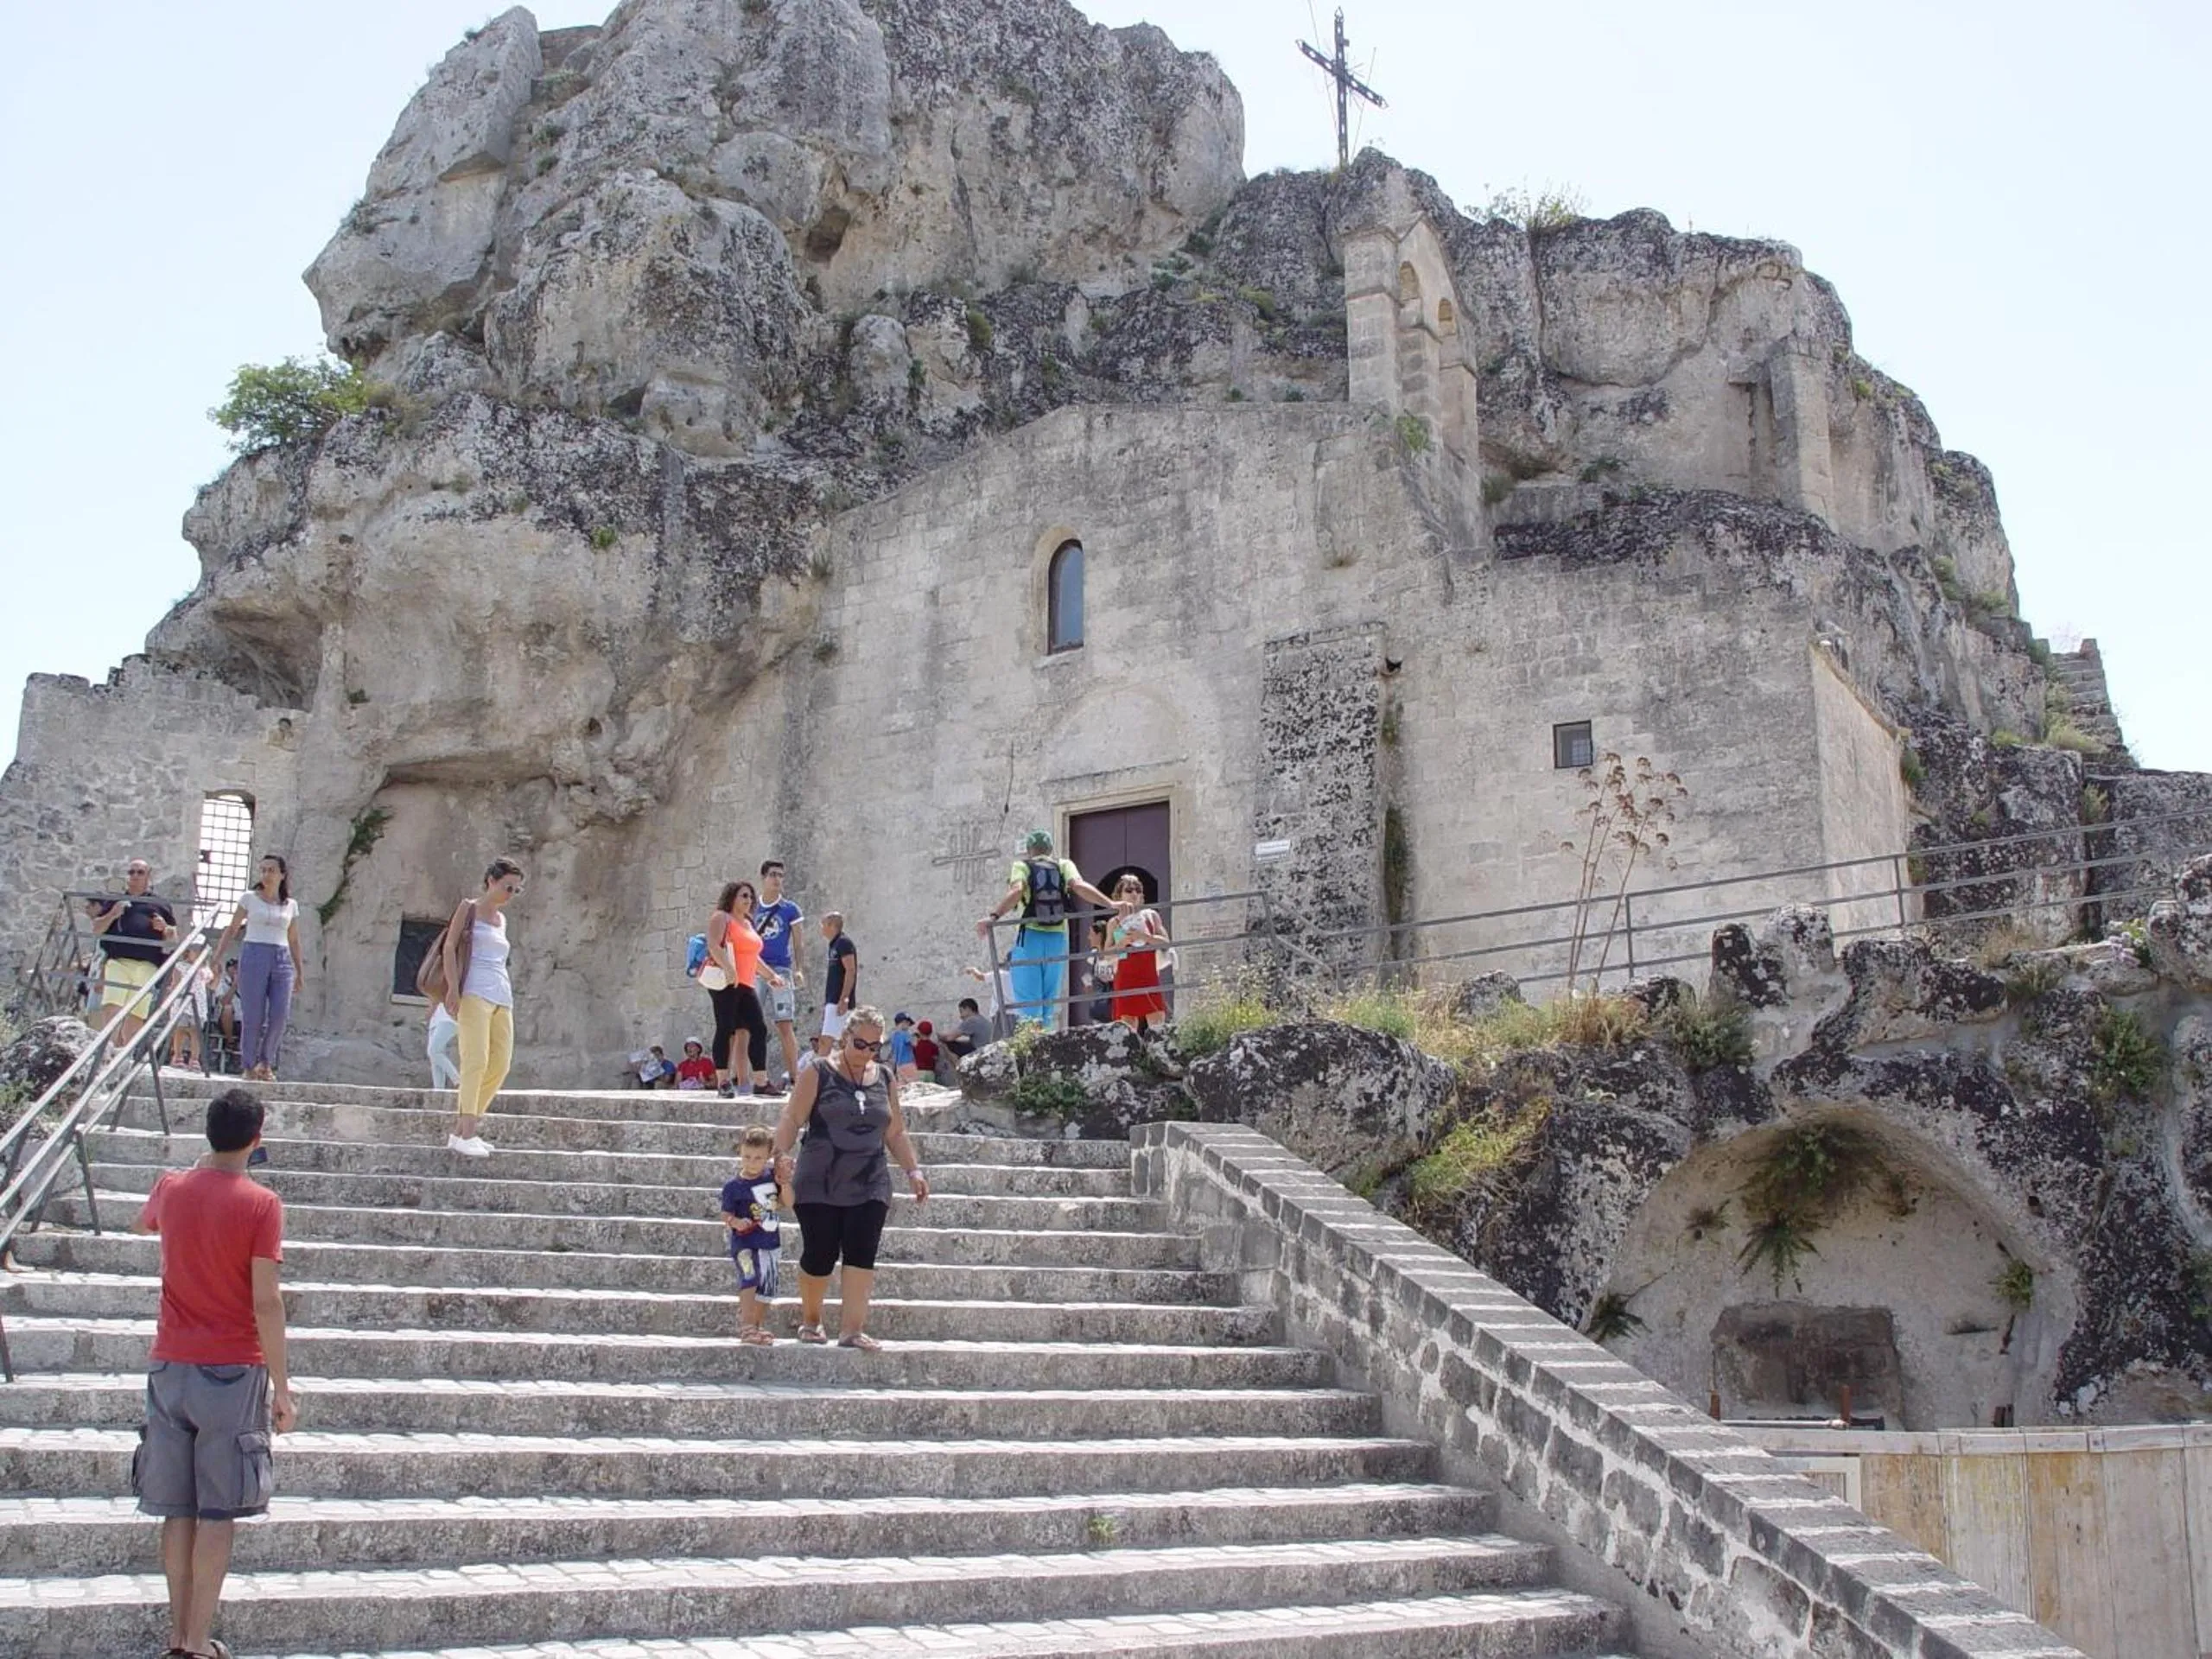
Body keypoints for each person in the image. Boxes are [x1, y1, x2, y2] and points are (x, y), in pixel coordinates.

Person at [130, 1087, 297, 1659]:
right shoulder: (261, 1203)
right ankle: (200, 1641)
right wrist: (284, 1387)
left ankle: (177, 1636)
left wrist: (195, 1170)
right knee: (218, 1511)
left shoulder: (171, 1189)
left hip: (170, 1365)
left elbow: (142, 1224)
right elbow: (266, 1301)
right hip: (232, 1368)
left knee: (178, 1509)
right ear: (257, 1139)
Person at [771, 1007, 929, 1350]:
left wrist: (913, 1170)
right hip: (819, 1178)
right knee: (820, 1251)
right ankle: (812, 1320)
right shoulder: (818, 1072)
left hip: (870, 1178)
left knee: (862, 1250)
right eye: (860, 1044)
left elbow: (896, 1132)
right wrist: (780, 1156)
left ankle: (852, 1330)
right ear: (844, 1038)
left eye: (875, 1046)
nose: (866, 1052)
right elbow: (792, 1118)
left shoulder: (885, 1077)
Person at [976, 830, 1116, 1030]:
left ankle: (1032, 1046)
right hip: (1057, 938)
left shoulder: (1022, 866)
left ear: (1029, 850)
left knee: (1028, 999)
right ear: (1050, 849)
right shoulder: (1064, 865)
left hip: (1030, 937)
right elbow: (1079, 886)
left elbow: (1017, 891)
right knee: (1049, 998)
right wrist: (1110, 903)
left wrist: (993, 917)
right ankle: (1047, 1039)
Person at [440, 856, 526, 1158]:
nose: (511, 895)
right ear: (491, 881)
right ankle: (467, 1132)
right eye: (508, 887)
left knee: (500, 1063)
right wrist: (452, 987)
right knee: (475, 1059)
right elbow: (449, 947)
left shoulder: (503, 921)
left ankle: (462, 1129)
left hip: (502, 994)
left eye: (516, 890)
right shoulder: (469, 908)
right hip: (473, 991)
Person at [210, 854, 306, 1082]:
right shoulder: (249, 898)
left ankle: (266, 1062)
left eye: (271, 870)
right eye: (263, 870)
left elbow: (294, 939)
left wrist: (300, 972)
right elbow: (232, 929)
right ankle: (249, 1065)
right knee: (253, 1015)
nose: (266, 875)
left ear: (282, 875)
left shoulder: (291, 905)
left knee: (280, 1014)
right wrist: (217, 957)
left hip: (281, 957)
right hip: (254, 953)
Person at [702, 880, 782, 1097]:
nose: (748, 900)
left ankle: (761, 1081)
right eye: (743, 896)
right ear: (732, 897)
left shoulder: (747, 923)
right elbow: (713, 945)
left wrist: (771, 976)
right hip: (726, 982)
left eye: (750, 896)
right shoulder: (721, 917)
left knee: (759, 1028)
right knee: (726, 1029)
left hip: (746, 984)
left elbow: (753, 957)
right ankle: (724, 1082)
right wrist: (729, 969)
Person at [92, 858, 178, 1046]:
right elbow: (96, 929)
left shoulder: (160, 904)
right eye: (131, 872)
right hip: (118, 961)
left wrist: (164, 928)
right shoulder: (115, 901)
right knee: (112, 1006)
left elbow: (173, 937)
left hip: (147, 964)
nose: (135, 876)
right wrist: (113, 914)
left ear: (148, 876)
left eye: (140, 872)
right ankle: (106, 1051)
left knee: (136, 1013)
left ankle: (126, 1056)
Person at [720, 1126, 791, 1345]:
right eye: (747, 1157)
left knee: (767, 1285)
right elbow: (725, 1213)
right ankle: (747, 1326)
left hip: (769, 1240)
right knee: (749, 1277)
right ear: (740, 1152)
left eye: (758, 1158)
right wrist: (735, 1222)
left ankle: (757, 1326)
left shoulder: (772, 1178)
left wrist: (784, 1182)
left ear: (768, 1156)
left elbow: (788, 1202)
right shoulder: (733, 1187)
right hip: (744, 1242)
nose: (752, 1162)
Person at [753, 860, 805, 1088]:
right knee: (749, 1024)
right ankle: (749, 1077)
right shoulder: (752, 908)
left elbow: (798, 943)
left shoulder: (790, 909)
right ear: (763, 877)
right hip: (755, 970)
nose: (777, 879)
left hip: (781, 970)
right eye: (773, 874)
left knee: (785, 1024)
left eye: (781, 875)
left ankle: (795, 1077)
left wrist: (799, 969)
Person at [1105, 873, 1173, 1030]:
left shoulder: (1151, 916)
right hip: (1125, 977)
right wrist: (1122, 943)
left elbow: (1166, 943)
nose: (1134, 893)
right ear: (1119, 895)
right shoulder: (1115, 923)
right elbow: (1107, 955)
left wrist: (1145, 937)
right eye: (1129, 890)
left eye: (1138, 890)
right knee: (1127, 1029)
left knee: (1158, 1024)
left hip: (1149, 975)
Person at [167, 943, 214, 1071]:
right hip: (182, 1002)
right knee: (180, 1030)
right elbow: (175, 983)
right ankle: (177, 1055)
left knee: (196, 1032)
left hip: (198, 1004)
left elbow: (211, 985)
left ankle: (194, 1058)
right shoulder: (180, 966)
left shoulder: (205, 969)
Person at [817, 912, 859, 1041]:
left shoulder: (843, 943)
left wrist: (844, 999)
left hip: (839, 1000)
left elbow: (851, 970)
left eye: (823, 925)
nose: (821, 928)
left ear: (831, 925)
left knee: (828, 1040)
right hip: (833, 999)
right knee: (836, 1040)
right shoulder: (834, 945)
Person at [1085, 917, 1117, 1025]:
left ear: (1099, 935)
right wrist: (1088, 983)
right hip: (1098, 1006)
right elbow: (1090, 974)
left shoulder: (1113, 954)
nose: (1089, 937)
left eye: (1091, 934)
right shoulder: (1093, 955)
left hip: (1113, 1004)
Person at [944, 996, 994, 1064]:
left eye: (961, 1011)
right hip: (987, 1052)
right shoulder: (981, 1019)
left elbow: (949, 1037)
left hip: (980, 1054)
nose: (960, 1016)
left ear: (968, 1009)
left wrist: (937, 1035)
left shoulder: (972, 1020)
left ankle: (958, 1066)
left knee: (946, 1043)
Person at [426, 1001, 461, 1090]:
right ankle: (439, 1090)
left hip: (448, 1018)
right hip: (435, 1019)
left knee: (433, 1051)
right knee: (434, 1059)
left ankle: (458, 1080)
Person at [887, 1012, 918, 1081]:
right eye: (908, 1023)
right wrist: (915, 1035)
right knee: (912, 1086)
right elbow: (914, 1044)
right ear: (904, 1022)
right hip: (908, 1064)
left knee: (902, 1086)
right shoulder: (906, 1034)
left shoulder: (893, 1036)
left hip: (898, 1066)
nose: (909, 1026)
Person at [913, 1020, 942, 1084]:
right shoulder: (933, 1046)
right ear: (931, 1033)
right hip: (930, 1072)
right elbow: (936, 1058)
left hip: (919, 1071)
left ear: (919, 1032)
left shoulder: (916, 1046)